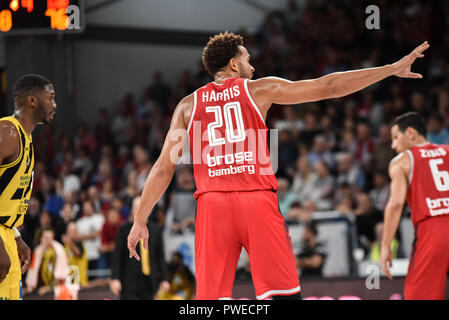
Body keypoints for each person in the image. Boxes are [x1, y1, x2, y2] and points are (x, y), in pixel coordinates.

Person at [127, 32, 429, 300]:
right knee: (283, 295)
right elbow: (329, 86)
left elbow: (163, 169)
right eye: (248, 59)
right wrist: (390, 70)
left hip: (211, 206)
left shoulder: (187, 106)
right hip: (256, 201)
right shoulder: (259, 89)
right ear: (234, 64)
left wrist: (140, 220)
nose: (253, 66)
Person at [0, 74, 57, 300]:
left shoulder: (26, 139)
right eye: (50, 97)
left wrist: (14, 235)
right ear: (32, 100)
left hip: (6, 236)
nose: (55, 104)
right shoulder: (7, 131)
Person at [381, 112, 449, 300]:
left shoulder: (402, 161)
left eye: (395, 137)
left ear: (410, 133)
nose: (393, 145)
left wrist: (385, 245)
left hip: (433, 231)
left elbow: (395, 204)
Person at [110, 197, 168, 300]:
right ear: (132, 210)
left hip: (149, 280)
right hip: (128, 280)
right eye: (137, 208)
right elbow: (117, 256)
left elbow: (160, 257)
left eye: (143, 208)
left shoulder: (156, 230)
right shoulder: (123, 229)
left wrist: (164, 279)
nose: (140, 211)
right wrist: (115, 278)